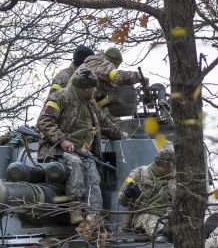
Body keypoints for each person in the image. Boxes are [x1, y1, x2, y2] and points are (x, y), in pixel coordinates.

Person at [35, 69, 107, 236]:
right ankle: (75, 208)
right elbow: (44, 120)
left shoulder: (90, 103)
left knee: (93, 177)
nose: (95, 91)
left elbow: (104, 122)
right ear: (85, 88)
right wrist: (62, 140)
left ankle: (93, 215)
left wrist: (121, 133)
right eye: (93, 88)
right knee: (75, 165)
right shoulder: (59, 97)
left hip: (83, 151)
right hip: (57, 150)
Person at [117, 144, 175, 236]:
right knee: (148, 219)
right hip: (143, 215)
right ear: (163, 165)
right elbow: (121, 200)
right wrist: (127, 194)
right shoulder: (138, 173)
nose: (173, 170)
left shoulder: (175, 179)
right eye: (170, 167)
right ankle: (166, 231)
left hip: (169, 216)